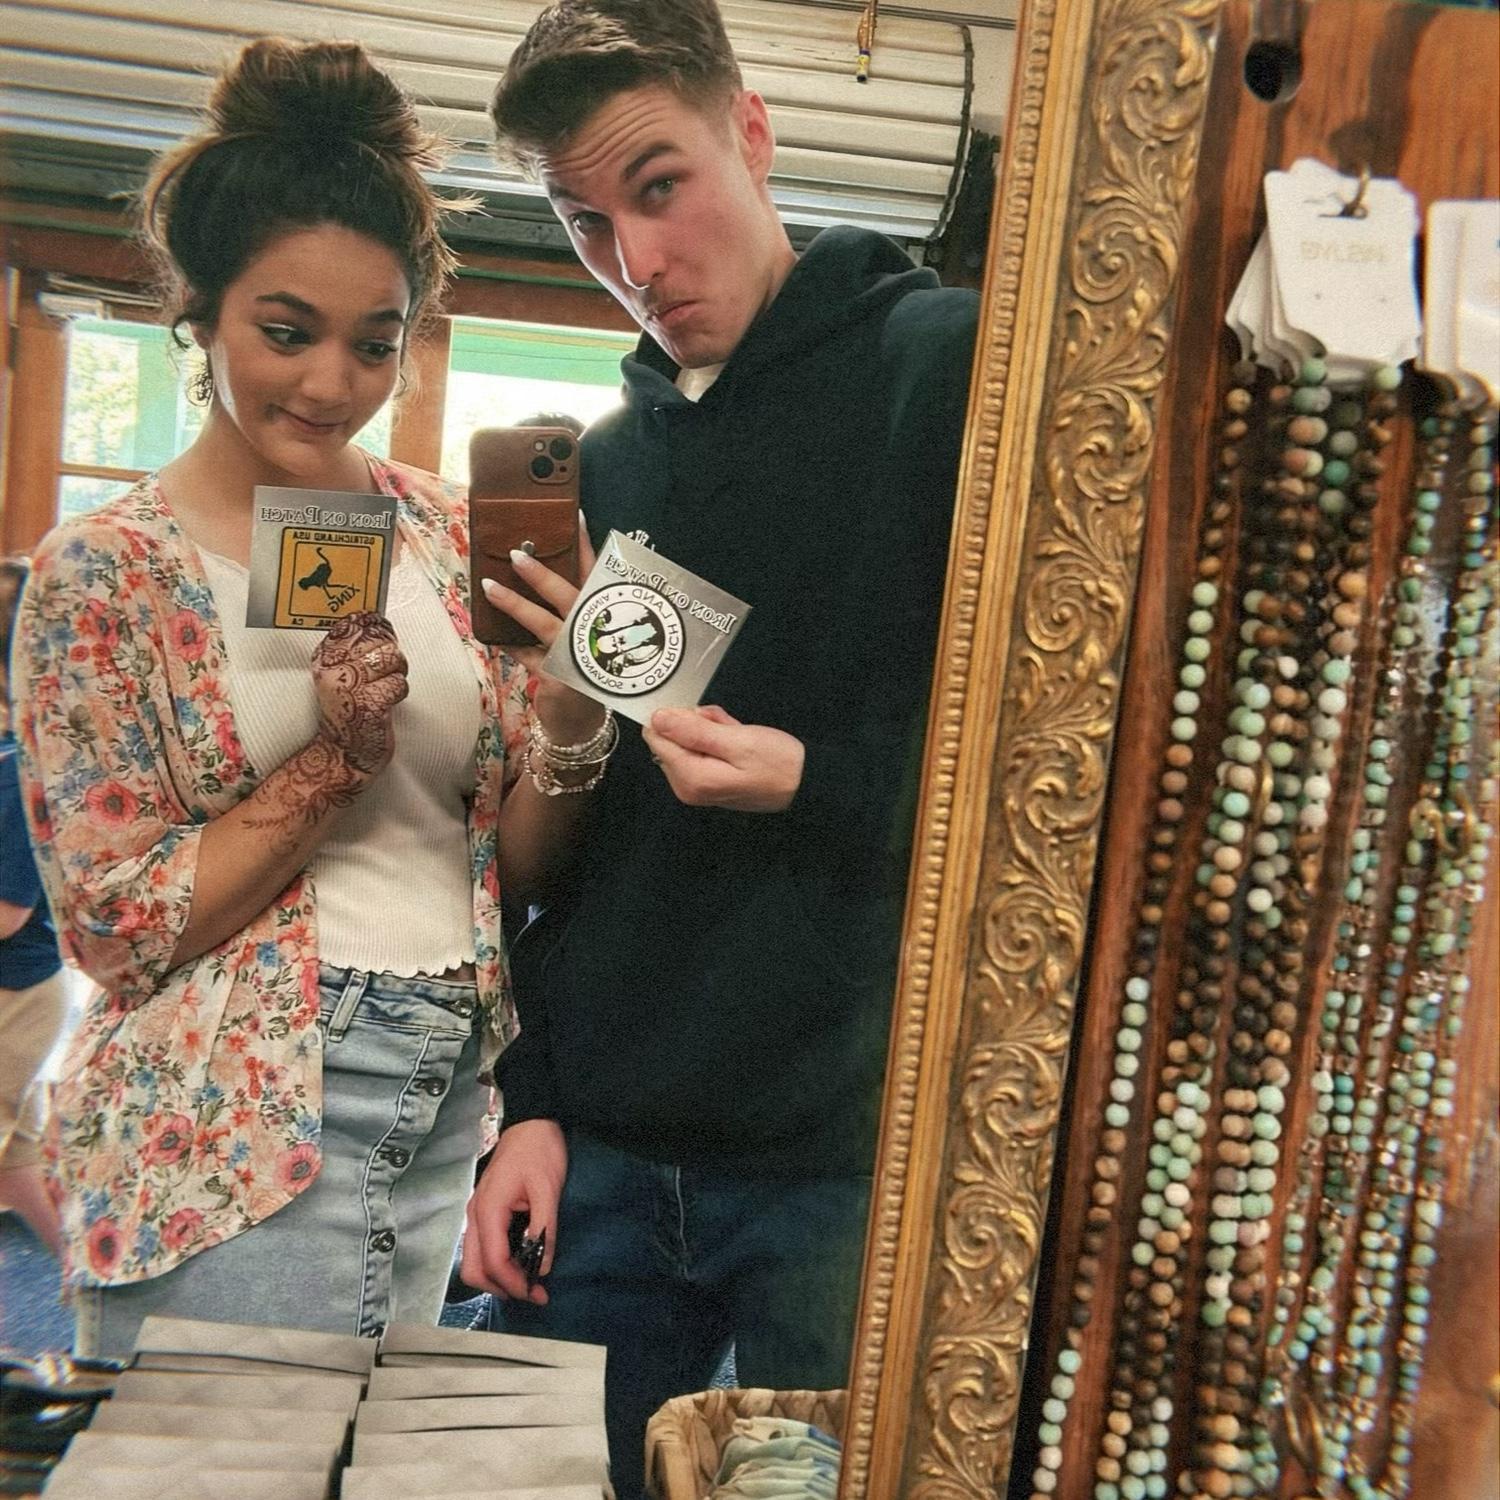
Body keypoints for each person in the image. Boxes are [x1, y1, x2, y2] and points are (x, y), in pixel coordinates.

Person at [12, 37, 607, 1359]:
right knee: (230, 1452)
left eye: (374, 343)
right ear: (200, 309)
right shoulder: (105, 573)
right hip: (230, 1112)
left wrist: (572, 710)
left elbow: (510, 865)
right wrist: (332, 762)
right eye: (286, 333)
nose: (333, 384)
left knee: (359, 1453)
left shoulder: (443, 533)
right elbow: (116, 926)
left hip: (445, 1090)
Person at [461, 3, 980, 1493]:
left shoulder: (952, 370)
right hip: (607, 1150)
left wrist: (813, 779)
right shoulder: (608, 464)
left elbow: (1056, 768)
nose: (634, 259)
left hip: (851, 1156)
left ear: (750, 132)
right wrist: (532, 1101)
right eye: (584, 222)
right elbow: (583, 848)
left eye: (659, 186)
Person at [0, 556, 68, 1257]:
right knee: (16, 1162)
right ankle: (91, 1290)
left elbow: (7, 914)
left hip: (15, 992)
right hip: (26, 985)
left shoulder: (17, 767)